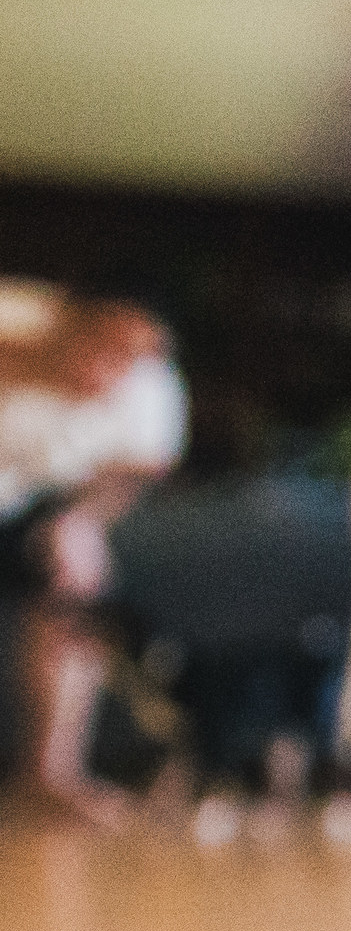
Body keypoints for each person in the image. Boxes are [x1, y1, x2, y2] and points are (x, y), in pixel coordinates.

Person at [0, 284, 188, 824]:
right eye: (103, 347)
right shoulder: (17, 323)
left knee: (75, 572)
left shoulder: (151, 392)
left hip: (42, 503)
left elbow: (125, 480)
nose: (116, 368)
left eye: (135, 355)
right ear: (68, 327)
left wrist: (75, 523)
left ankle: (50, 774)